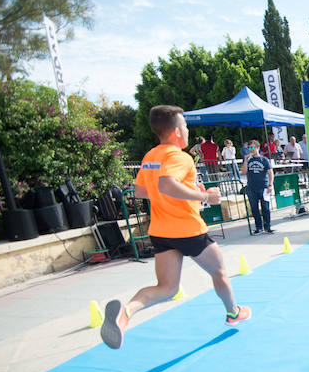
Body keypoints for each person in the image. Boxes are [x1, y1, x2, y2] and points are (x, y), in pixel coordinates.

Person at [100, 105, 251, 350]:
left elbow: (142, 191)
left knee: (166, 288)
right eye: (186, 126)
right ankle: (233, 313)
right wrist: (204, 197)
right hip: (187, 229)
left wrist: (188, 194)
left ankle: (126, 313)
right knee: (220, 273)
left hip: (161, 231)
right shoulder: (180, 156)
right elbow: (167, 185)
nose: (188, 130)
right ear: (177, 132)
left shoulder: (150, 157)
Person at [241, 140, 275, 234]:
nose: (251, 150)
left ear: (257, 148)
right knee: (254, 209)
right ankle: (258, 227)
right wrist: (245, 159)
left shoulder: (264, 160)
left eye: (252, 148)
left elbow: (270, 173)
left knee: (266, 208)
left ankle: (267, 227)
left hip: (263, 187)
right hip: (251, 187)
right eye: (249, 148)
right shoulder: (248, 160)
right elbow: (243, 172)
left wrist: (270, 185)